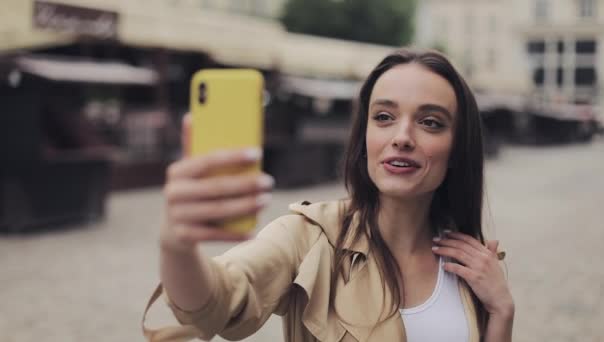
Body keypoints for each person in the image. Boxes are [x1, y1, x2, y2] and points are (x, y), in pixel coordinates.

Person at [143, 48, 514, 342]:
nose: (402, 137)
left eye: (430, 122)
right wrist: (176, 245)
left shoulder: (472, 260)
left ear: (456, 149)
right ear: (364, 138)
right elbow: (217, 303)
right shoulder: (310, 237)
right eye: (383, 117)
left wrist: (501, 312)